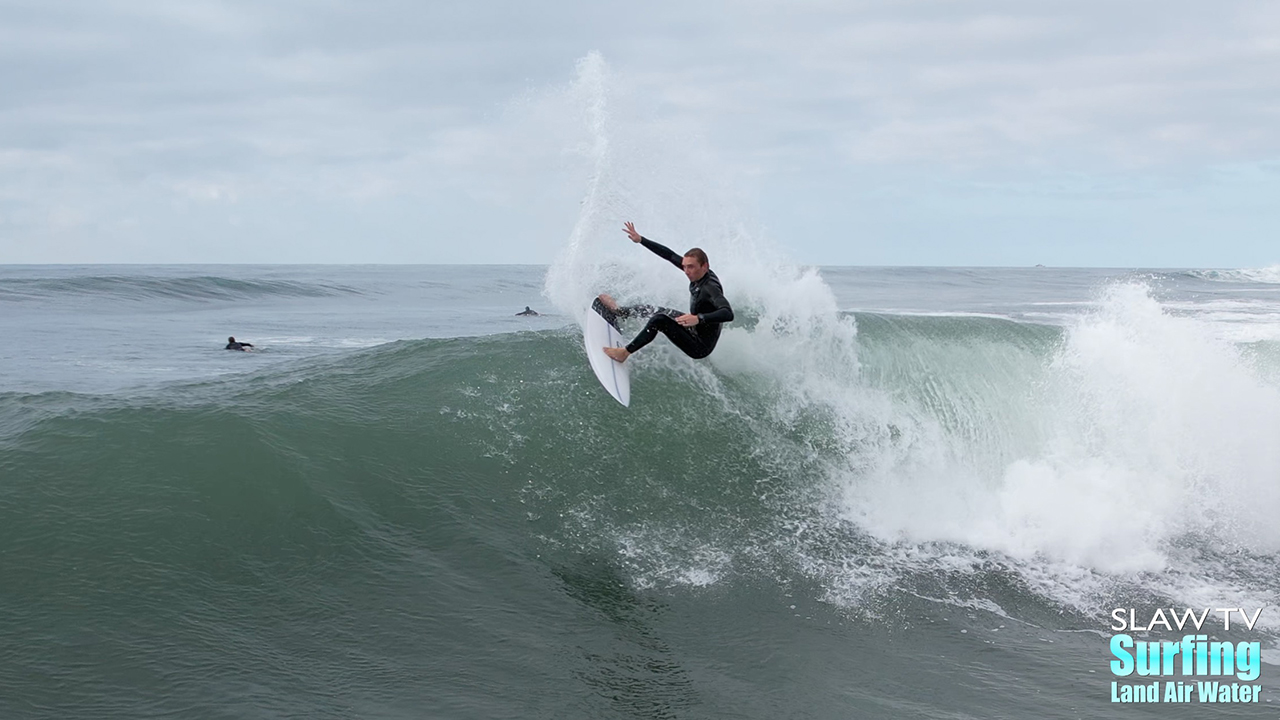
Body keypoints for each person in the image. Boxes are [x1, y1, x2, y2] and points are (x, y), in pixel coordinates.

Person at [599, 221, 733, 363]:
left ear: (705, 266)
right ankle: (620, 312)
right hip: (694, 326)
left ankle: (624, 353)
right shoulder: (697, 273)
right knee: (656, 310)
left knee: (660, 320)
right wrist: (641, 240)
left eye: (691, 267)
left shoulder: (710, 288)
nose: (686, 271)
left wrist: (698, 318)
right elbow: (669, 255)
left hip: (699, 345)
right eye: (685, 267)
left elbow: (728, 313)